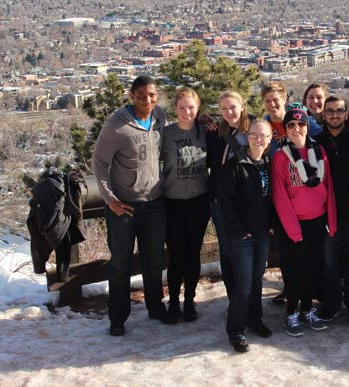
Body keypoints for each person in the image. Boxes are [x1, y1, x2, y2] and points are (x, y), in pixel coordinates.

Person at [92, 76, 170, 336]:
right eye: (141, 96)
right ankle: (118, 317)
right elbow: (99, 163)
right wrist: (110, 199)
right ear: (131, 96)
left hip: (155, 203)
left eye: (151, 95)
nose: (147, 100)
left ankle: (155, 307)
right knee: (120, 264)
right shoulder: (117, 125)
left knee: (154, 261)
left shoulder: (160, 117)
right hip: (123, 207)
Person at [271, 107, 337, 337]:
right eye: (291, 125)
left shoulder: (319, 151)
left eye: (301, 125)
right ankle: (291, 313)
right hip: (294, 225)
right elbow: (279, 196)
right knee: (295, 271)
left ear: (307, 127)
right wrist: (292, 228)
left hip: (317, 221)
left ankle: (307, 309)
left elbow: (329, 188)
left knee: (312, 269)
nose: (296, 129)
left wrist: (331, 220)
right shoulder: (280, 157)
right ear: (286, 130)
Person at [218, 119, 274, 353]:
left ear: (270, 139)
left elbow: (271, 200)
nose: (258, 139)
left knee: (257, 280)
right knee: (244, 285)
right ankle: (236, 330)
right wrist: (240, 230)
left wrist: (270, 226)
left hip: (262, 234)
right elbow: (224, 201)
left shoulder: (269, 164)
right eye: (254, 135)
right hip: (241, 236)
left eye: (263, 135)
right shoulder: (235, 164)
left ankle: (255, 320)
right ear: (247, 137)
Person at [314, 95, 349, 322]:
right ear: (323, 115)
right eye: (330, 111)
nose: (335, 115)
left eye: (339, 111)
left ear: (346, 114)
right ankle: (331, 304)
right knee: (329, 261)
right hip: (326, 213)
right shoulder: (315, 142)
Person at [162, 88, 210, 322]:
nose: (186, 112)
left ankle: (189, 301)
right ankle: (173, 302)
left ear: (198, 107)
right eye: (182, 107)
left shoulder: (205, 131)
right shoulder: (166, 134)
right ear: (175, 109)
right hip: (172, 202)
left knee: (193, 254)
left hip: (199, 201)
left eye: (191, 107)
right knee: (176, 256)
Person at [206, 91, 252, 299]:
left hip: (249, 202)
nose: (229, 112)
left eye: (232, 107)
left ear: (242, 106)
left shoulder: (254, 130)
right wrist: (201, 119)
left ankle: (251, 297)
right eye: (224, 109)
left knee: (251, 249)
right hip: (221, 200)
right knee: (227, 250)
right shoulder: (217, 133)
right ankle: (234, 297)